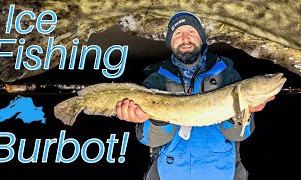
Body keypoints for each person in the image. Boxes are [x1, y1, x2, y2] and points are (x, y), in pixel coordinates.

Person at [115, 11, 275, 180]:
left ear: (201, 39)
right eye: (178, 34)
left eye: (191, 32)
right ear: (170, 42)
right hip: (171, 174)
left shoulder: (227, 73)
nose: (185, 38)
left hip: (222, 173)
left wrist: (243, 113)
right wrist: (153, 118)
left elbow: (239, 134)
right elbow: (151, 140)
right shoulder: (156, 79)